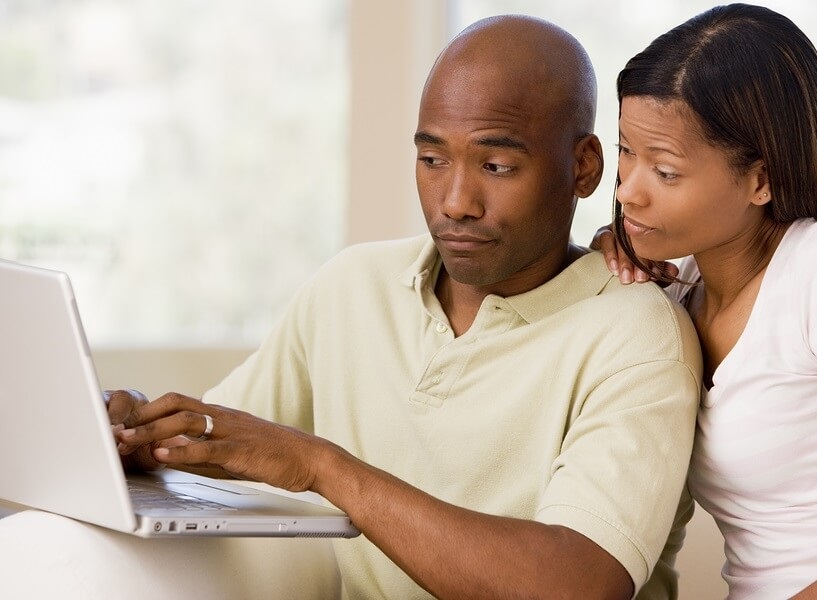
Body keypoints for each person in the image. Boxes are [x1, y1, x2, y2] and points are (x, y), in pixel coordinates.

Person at [109, 15, 703, 600]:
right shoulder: (351, 286)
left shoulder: (639, 336)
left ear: (583, 167)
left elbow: (577, 585)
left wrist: (324, 468)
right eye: (432, 160)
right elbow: (230, 437)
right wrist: (141, 428)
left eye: (496, 166)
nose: (455, 202)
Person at [592, 4, 817, 599]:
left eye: (666, 170)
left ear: (762, 180)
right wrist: (608, 258)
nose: (628, 188)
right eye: (626, 150)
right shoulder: (680, 283)